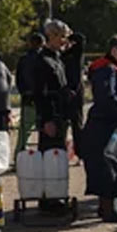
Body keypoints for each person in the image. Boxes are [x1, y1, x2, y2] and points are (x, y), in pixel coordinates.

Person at [81, 34, 117, 223]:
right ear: (115, 50)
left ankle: (107, 207)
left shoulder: (111, 69)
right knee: (106, 170)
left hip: (111, 125)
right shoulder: (105, 70)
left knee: (111, 167)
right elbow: (107, 98)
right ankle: (108, 210)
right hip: (103, 127)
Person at [33, 19, 73, 152]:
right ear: (51, 36)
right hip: (51, 118)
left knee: (60, 157)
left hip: (62, 115)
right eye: (62, 37)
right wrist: (47, 120)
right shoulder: (42, 60)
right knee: (50, 158)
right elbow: (39, 92)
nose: (64, 41)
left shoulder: (57, 59)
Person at [15, 32, 44, 159]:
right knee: (43, 130)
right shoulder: (43, 58)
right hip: (42, 98)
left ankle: (19, 157)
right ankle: (42, 156)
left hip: (27, 98)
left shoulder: (23, 59)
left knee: (24, 130)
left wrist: (24, 92)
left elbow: (18, 79)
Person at [63, 32, 87, 158]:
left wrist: (68, 37)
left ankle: (80, 153)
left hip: (75, 93)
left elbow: (81, 39)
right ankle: (72, 151)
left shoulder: (75, 54)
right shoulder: (66, 55)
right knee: (71, 124)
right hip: (69, 92)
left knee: (76, 125)